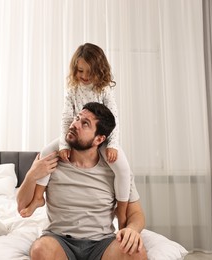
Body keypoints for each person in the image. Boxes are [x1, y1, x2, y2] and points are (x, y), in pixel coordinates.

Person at [19, 43, 130, 229]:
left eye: (90, 72)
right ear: (74, 69)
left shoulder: (104, 90)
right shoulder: (72, 90)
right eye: (80, 71)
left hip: (98, 138)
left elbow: (114, 118)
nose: (85, 77)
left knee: (123, 169)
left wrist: (113, 144)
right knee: (46, 152)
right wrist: (64, 145)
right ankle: (38, 198)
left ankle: (122, 211)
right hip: (73, 136)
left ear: (99, 71)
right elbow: (66, 119)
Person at [17, 102, 147, 260]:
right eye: (77, 118)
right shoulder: (50, 160)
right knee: (40, 250)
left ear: (99, 139)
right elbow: (22, 205)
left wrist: (132, 229)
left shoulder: (117, 171)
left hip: (102, 243)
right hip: (60, 240)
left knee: (136, 253)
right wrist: (31, 174)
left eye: (85, 124)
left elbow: (136, 214)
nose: (75, 124)